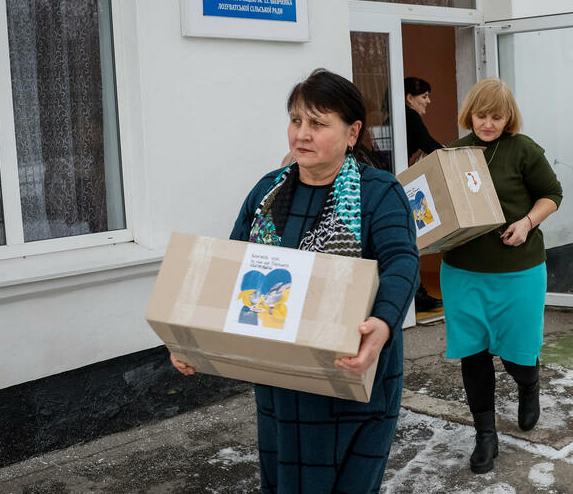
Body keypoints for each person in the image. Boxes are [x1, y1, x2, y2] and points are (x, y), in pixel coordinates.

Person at [170, 69, 419, 493]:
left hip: (353, 372)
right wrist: (196, 339)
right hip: (283, 379)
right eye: (296, 120)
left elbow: (401, 261)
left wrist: (382, 323)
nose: (302, 134)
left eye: (318, 123)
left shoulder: (378, 192)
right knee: (287, 482)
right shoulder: (268, 192)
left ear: (352, 131)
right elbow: (232, 269)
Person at [439, 78, 562, 475]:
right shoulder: (453, 155)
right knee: (473, 354)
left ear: (508, 117)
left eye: (496, 117)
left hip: (518, 270)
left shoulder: (523, 150)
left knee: (517, 353)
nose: (487, 124)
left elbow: (552, 194)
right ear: (469, 114)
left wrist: (527, 222)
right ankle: (485, 435)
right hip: (463, 271)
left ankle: (529, 384)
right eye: (481, 115)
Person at [404, 76, 445, 313]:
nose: (428, 101)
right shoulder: (409, 116)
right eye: (424, 96)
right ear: (410, 98)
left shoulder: (399, 117)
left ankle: (416, 293)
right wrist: (453, 156)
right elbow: (427, 143)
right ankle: (416, 294)